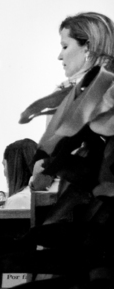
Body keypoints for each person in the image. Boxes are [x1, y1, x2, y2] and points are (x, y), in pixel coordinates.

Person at [19, 12, 114, 190]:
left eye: (65, 46)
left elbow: (50, 161)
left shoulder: (73, 93)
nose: (60, 56)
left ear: (88, 47)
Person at [0, 138, 38, 210]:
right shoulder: (45, 196)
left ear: (14, 168)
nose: (4, 173)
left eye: (4, 165)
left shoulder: (19, 200)